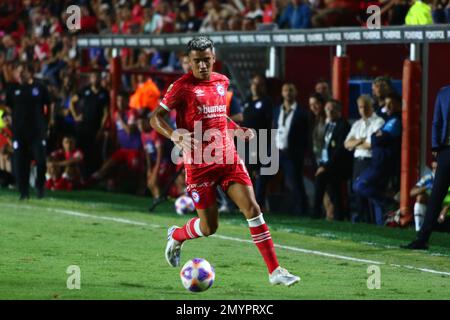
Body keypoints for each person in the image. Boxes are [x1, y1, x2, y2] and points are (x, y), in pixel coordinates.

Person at [150, 36, 300, 286]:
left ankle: (275, 271)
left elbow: (220, 117)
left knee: (252, 209)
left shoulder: (222, 81)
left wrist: (237, 129)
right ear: (188, 61)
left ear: (213, 58)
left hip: (228, 159)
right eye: (196, 61)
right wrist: (173, 134)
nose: (202, 66)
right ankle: (176, 235)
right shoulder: (181, 87)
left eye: (206, 60)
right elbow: (155, 118)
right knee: (209, 228)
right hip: (199, 166)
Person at [403, 85, 450, 249]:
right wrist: (436, 147)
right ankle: (422, 239)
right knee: (436, 195)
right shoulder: (443, 92)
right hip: (446, 150)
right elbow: (436, 121)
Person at [354, 92, 403, 225]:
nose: (388, 106)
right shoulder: (389, 119)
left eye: (391, 103)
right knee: (366, 188)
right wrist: (375, 137)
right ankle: (383, 219)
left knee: (360, 185)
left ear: (399, 104)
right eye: (386, 104)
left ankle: (389, 203)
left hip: (383, 163)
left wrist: (375, 137)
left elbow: (376, 139)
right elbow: (375, 138)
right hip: (377, 162)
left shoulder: (395, 120)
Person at [5, 63, 51, 199]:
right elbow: (7, 108)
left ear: (28, 73)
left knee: (41, 160)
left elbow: (48, 106)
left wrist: (47, 124)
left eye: (22, 71)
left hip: (37, 131)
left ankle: (39, 185)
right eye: (18, 71)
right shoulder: (12, 89)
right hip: (19, 132)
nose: (20, 74)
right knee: (20, 162)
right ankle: (23, 191)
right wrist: (7, 118)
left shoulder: (39, 88)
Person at [344, 95, 385, 223]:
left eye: (366, 106)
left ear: (372, 106)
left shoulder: (378, 121)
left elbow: (371, 144)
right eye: (361, 107)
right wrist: (361, 141)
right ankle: (363, 219)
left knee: (366, 190)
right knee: (357, 194)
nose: (363, 109)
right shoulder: (357, 124)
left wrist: (356, 143)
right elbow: (346, 144)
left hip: (370, 161)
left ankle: (375, 220)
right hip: (357, 162)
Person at [312, 99, 352, 220]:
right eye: (327, 109)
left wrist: (325, 166)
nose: (329, 111)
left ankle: (315, 212)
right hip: (326, 163)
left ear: (339, 111)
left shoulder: (344, 125)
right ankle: (339, 216)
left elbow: (339, 150)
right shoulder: (327, 124)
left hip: (337, 165)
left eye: (332, 109)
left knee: (321, 180)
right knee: (334, 191)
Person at [274, 83, 310, 215]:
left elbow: (305, 135)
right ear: (282, 93)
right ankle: (258, 207)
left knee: (295, 182)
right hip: (276, 151)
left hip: (292, 154)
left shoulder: (302, 112)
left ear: (296, 93)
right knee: (262, 176)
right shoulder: (277, 110)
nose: (288, 93)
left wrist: (301, 152)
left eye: (291, 90)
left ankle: (302, 210)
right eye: (285, 90)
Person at [242, 74, 273, 210]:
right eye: (254, 83)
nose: (255, 86)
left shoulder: (267, 102)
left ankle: (258, 203)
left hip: (261, 141)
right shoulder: (248, 100)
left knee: (260, 174)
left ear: (264, 87)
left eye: (259, 84)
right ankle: (248, 203)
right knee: (248, 173)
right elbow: (244, 116)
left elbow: (271, 122)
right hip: (247, 143)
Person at [410, 160, 438, 232]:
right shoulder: (428, 178)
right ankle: (418, 228)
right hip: (431, 204)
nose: (435, 170)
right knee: (420, 197)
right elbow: (412, 193)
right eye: (433, 168)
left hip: (443, 206)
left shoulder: (446, 178)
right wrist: (427, 187)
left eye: (437, 168)